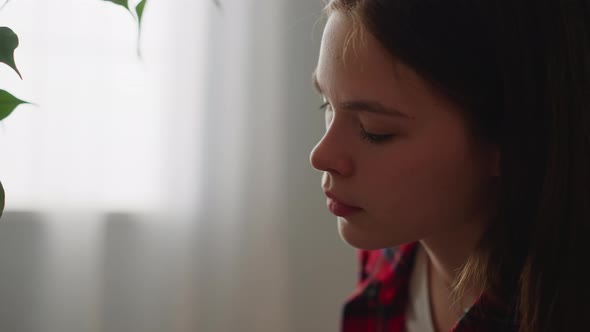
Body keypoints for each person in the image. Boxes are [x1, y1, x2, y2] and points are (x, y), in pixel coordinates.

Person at [308, 0, 590, 331]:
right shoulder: (389, 252)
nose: (320, 156)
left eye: (375, 131)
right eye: (327, 103)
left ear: (509, 143)